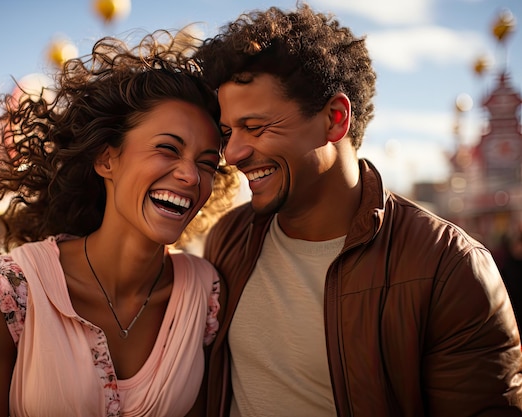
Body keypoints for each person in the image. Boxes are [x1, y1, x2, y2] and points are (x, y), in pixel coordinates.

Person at [194, 4, 522, 416]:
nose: (234, 154)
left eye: (256, 127)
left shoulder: (449, 268)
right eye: (228, 133)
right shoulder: (229, 237)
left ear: (335, 118)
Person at [0, 28, 237, 417]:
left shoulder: (205, 293)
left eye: (207, 163)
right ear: (106, 160)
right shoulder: (10, 291)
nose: (191, 175)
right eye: (167, 149)